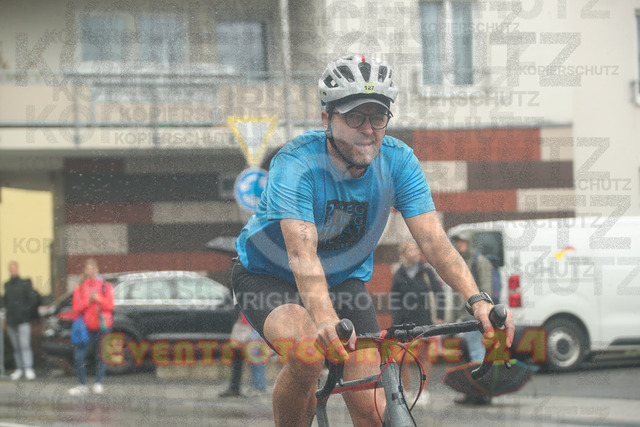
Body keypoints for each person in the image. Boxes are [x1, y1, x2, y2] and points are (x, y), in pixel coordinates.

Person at [231, 54, 515, 426]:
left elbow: (433, 241)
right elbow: (302, 253)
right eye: (354, 117)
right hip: (267, 275)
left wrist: (477, 300)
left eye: (378, 116)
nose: (368, 129)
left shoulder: (399, 162)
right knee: (307, 354)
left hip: (343, 280)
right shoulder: (296, 163)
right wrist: (326, 319)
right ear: (327, 119)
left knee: (373, 410)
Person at [390, 241, 444, 405]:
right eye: (410, 250)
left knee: (424, 356)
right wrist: (395, 321)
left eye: (415, 249)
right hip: (404, 321)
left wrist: (439, 316)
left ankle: (423, 392)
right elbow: (394, 300)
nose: (414, 252)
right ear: (403, 254)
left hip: (425, 318)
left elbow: (439, 293)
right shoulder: (399, 273)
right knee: (402, 356)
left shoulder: (426, 271)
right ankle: (406, 391)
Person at [451, 230, 495, 406]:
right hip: (463, 317)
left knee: (477, 354)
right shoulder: (461, 262)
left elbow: (486, 289)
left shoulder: (480, 261)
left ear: (470, 242)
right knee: (469, 355)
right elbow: (456, 294)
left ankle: (481, 393)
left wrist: (484, 312)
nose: (459, 245)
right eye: (458, 242)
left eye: (463, 241)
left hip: (476, 317)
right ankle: (472, 392)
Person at [67, 258, 115, 396]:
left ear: (97, 270)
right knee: (79, 356)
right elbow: (76, 307)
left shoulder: (106, 286)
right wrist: (88, 301)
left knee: (101, 355)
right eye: (88, 269)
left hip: (103, 325)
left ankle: (98, 383)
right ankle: (82, 384)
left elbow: (111, 305)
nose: (91, 272)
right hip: (86, 326)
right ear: (85, 271)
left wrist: (99, 299)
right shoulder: (81, 287)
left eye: (93, 269)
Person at [219, 313, 268, 398]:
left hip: (252, 326)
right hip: (251, 325)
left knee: (255, 358)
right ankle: (258, 385)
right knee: (254, 358)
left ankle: (259, 386)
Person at [3, 261, 36, 380]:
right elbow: (6, 302)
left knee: (24, 345)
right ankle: (20, 368)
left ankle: (28, 367)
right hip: (12, 320)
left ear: (17, 269)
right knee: (16, 346)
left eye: (14, 268)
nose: (12, 270)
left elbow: (31, 300)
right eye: (10, 268)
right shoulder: (7, 285)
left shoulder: (24, 283)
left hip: (23, 320)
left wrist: (25, 314)